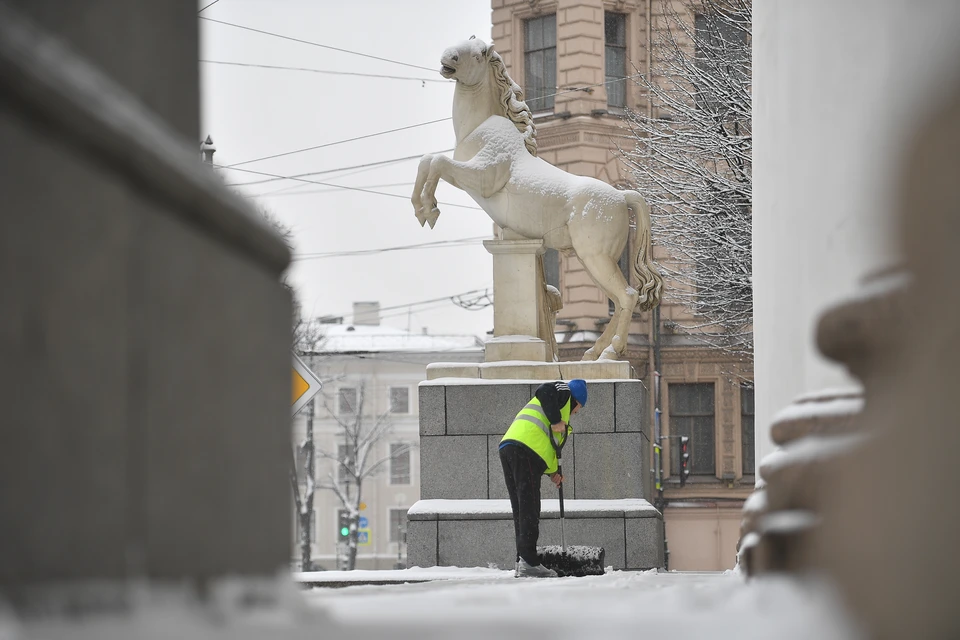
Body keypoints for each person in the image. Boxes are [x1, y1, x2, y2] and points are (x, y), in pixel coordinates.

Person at [499, 379, 587, 578]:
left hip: (511, 447)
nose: (577, 413)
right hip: (525, 449)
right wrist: (557, 420)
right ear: (578, 401)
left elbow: (546, 445)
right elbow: (544, 389)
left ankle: (522, 559)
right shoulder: (564, 393)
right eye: (579, 408)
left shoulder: (561, 411)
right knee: (529, 507)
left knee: (521, 508)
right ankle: (529, 562)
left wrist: (553, 473)